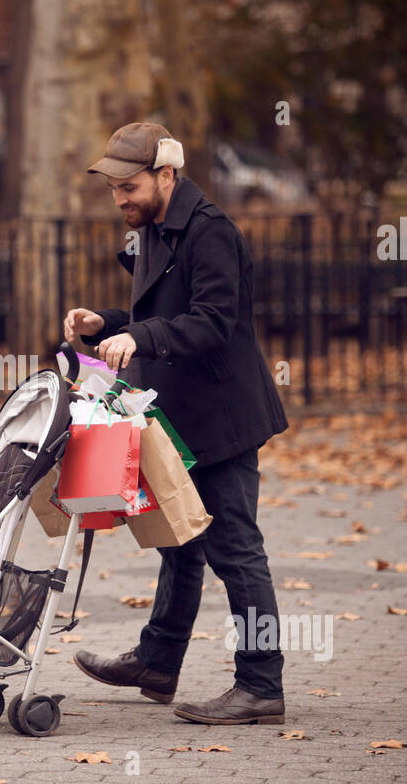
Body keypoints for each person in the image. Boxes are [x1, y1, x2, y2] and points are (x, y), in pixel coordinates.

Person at [66, 121, 291, 725]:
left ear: (166, 175)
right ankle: (159, 662)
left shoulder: (209, 231)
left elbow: (214, 321)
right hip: (180, 416)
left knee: (236, 550)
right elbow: (160, 314)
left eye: (129, 187)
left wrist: (137, 335)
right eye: (114, 190)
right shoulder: (156, 228)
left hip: (223, 418)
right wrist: (106, 323)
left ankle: (261, 685)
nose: (120, 200)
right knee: (181, 543)